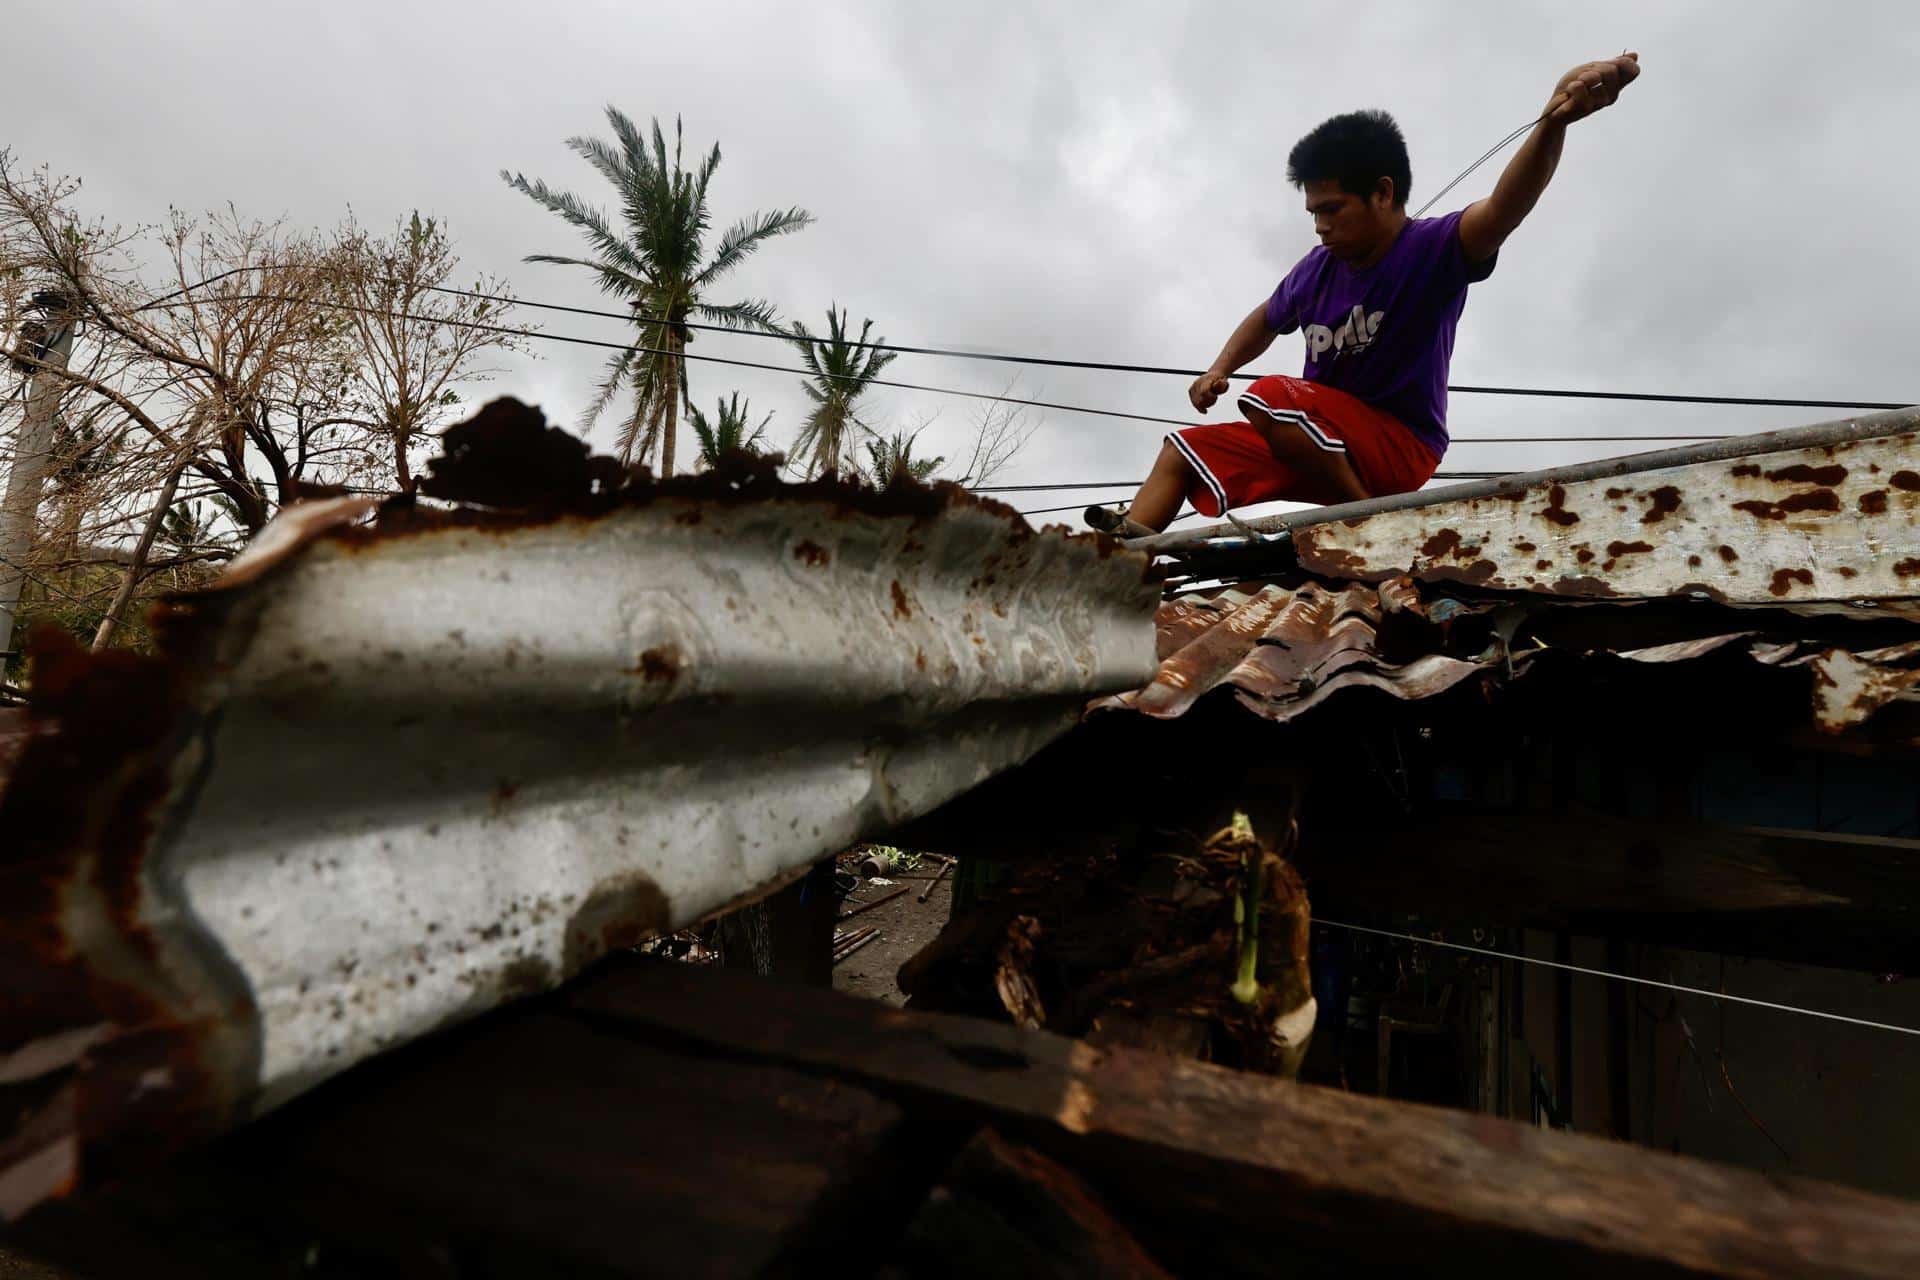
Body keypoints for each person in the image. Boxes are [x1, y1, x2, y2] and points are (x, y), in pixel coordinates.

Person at [1088, 53, 1641, 537]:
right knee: (1182, 451)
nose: (1320, 227)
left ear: (1382, 193)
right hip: (1314, 444)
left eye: (1332, 210)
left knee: (1275, 396)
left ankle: (1370, 520)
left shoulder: (1433, 248)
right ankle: (1123, 563)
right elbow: (1265, 318)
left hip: (1399, 449)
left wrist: (1552, 125)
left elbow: (1504, 208)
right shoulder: (1316, 270)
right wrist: (1219, 367)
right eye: (1313, 213)